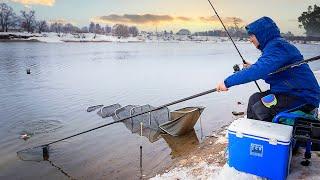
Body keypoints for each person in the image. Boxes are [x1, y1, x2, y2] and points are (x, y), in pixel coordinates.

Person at [216, 16, 320, 122]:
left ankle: (271, 134)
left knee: (261, 108)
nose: (250, 39)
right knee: (254, 99)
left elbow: (258, 70)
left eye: (252, 35)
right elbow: (273, 75)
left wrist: (227, 82)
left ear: (262, 34)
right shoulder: (273, 47)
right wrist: (252, 68)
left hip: (302, 96)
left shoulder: (278, 47)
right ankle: (254, 132)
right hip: (287, 93)